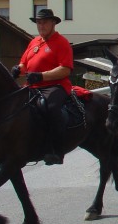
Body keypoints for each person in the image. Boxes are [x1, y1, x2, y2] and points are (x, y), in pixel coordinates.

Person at [11, 9, 73, 165]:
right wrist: (18, 69)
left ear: (53, 23)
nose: (41, 25)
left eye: (44, 22)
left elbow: (65, 69)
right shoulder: (34, 42)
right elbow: (25, 63)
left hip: (55, 86)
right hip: (32, 85)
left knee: (51, 107)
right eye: (39, 22)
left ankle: (57, 151)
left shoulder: (62, 42)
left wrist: (41, 75)